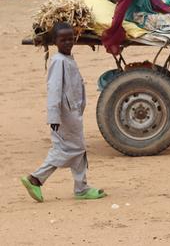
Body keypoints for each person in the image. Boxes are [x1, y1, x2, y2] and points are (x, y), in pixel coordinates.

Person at [20, 23, 106, 202]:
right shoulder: (58, 61)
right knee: (67, 149)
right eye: (63, 39)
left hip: (72, 113)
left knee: (78, 148)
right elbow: (54, 89)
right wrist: (54, 116)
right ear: (55, 41)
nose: (67, 42)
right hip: (64, 115)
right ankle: (36, 178)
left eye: (70, 38)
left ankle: (81, 187)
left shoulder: (68, 59)